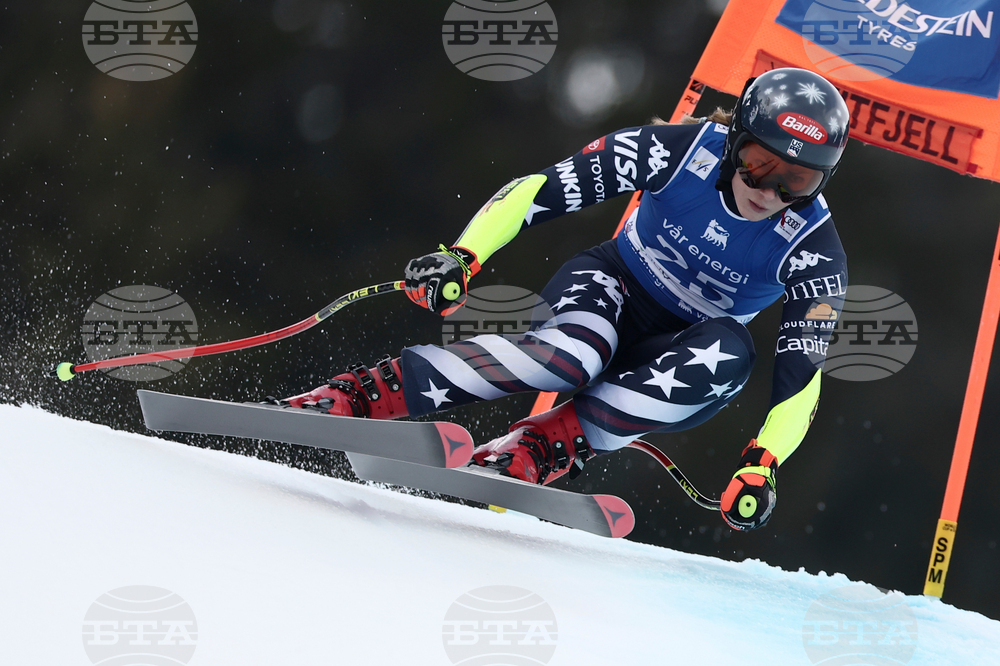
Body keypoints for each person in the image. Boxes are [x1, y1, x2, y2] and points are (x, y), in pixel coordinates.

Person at [275, 67, 851, 532]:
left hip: (680, 347)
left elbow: (803, 376)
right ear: (734, 141)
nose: (768, 190)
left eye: (795, 182)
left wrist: (762, 464)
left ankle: (544, 443)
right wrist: (463, 256)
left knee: (731, 352)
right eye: (758, 163)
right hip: (614, 285)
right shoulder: (677, 152)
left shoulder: (813, 248)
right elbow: (539, 189)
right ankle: (367, 393)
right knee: (574, 355)